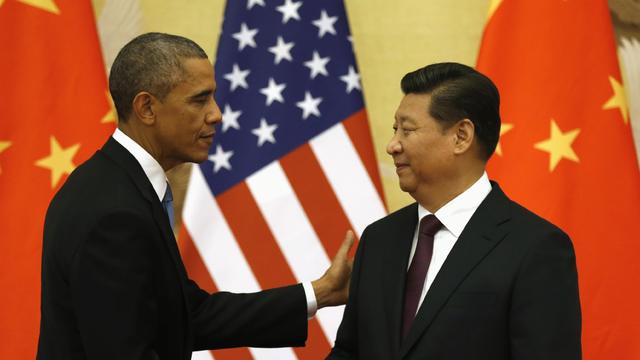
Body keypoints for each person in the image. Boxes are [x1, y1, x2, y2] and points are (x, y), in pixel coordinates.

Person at [37, 32, 354, 360]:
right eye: (199, 100)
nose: (216, 114)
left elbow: (188, 316)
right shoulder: (113, 213)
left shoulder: (122, 186)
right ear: (147, 107)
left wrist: (321, 292)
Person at [328, 62, 581, 359]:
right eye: (395, 129)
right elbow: (350, 351)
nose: (392, 145)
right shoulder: (379, 239)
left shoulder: (536, 248)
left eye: (407, 130)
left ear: (461, 136)